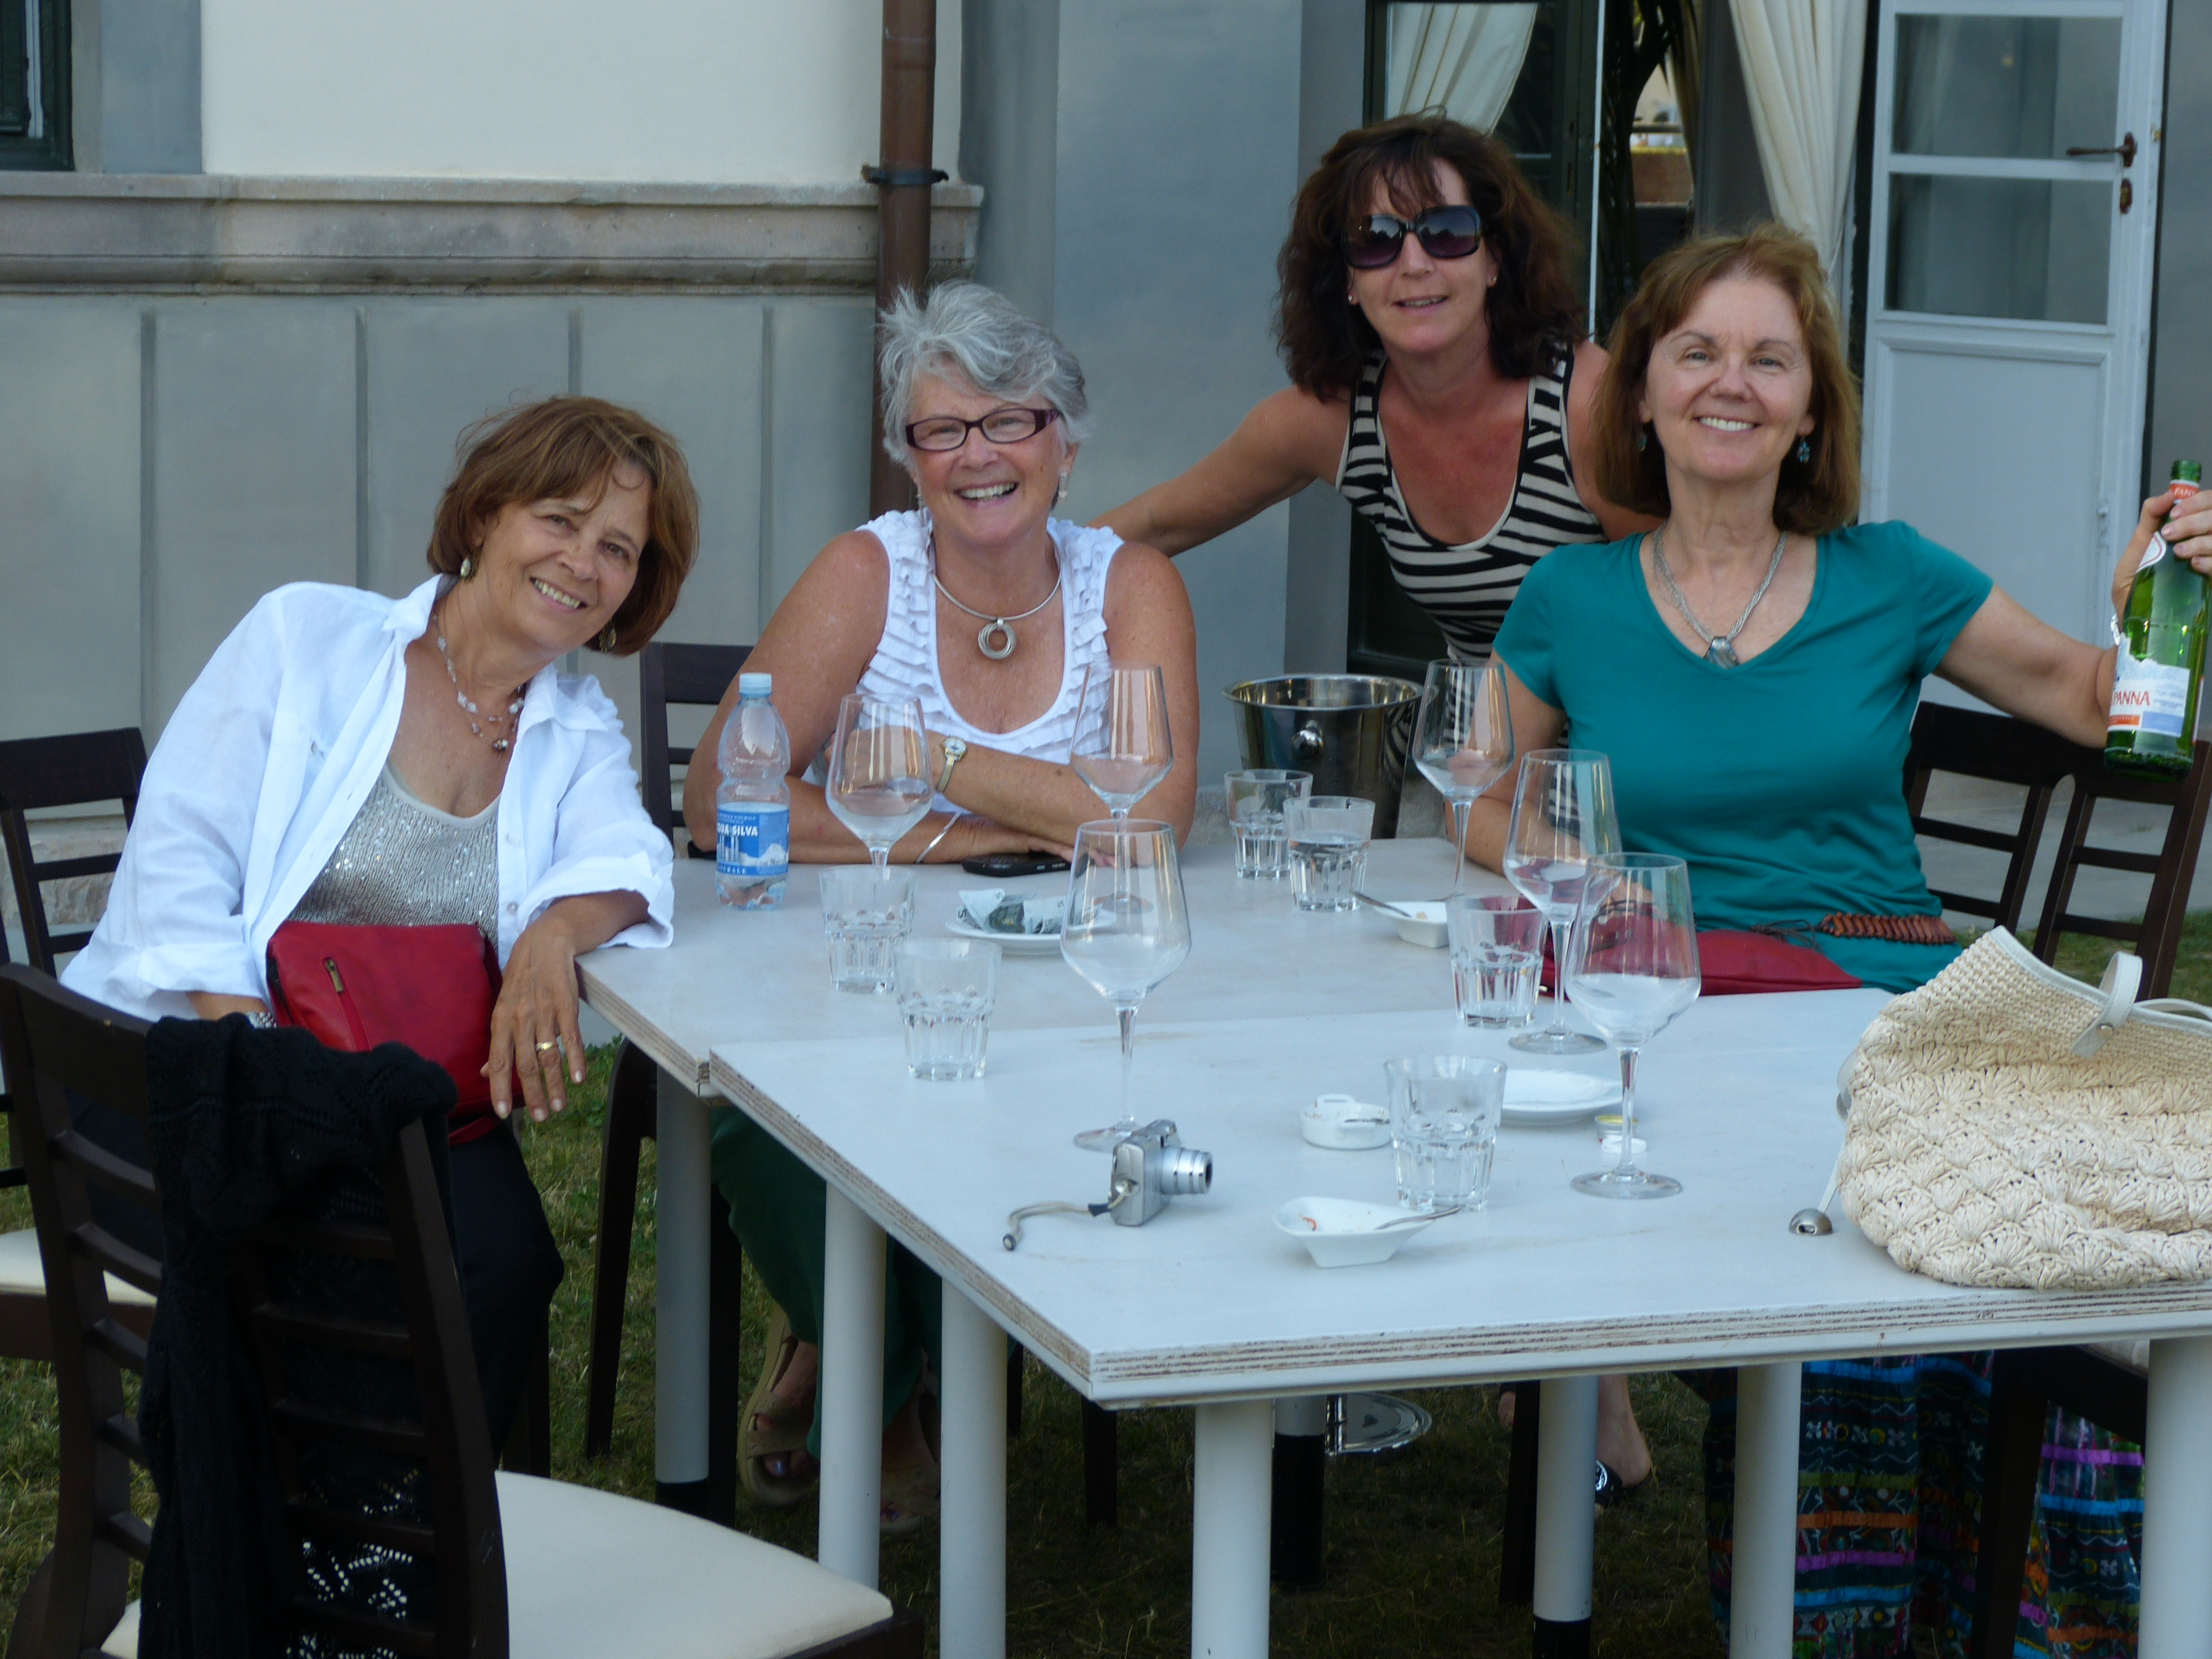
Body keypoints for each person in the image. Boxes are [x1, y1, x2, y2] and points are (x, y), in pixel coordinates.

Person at [1473, 224, 2212, 1654]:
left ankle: (2024, 1614)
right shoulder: (1574, 597)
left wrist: (2155, 608)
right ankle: (1847, 1614)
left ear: (1811, 408)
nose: (1730, 383)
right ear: (1642, 394)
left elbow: (2096, 707)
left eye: (1770, 359)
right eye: (1696, 352)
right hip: (1668, 1010)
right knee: (1806, 1228)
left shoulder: (1892, 576)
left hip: (1880, 1003)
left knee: (1941, 1227)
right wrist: (1585, 875)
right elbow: (1476, 794)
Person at [65, 395, 699, 1448]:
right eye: (559, 519)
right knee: (357, 1255)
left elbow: (631, 865)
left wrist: (552, 936)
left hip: (391, 1095)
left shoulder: (572, 727)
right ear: (486, 515)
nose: (583, 563)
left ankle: (435, 1530)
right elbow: (178, 865)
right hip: (193, 1065)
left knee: (507, 1257)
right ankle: (314, 1522)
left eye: (618, 548)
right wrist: (267, 1068)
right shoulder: (307, 637)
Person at [683, 280, 1199, 1528]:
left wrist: (934, 761)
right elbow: (720, 800)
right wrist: (1007, 827)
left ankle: (839, 1352)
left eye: (1009, 420)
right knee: (767, 1124)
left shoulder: (1128, 584)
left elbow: (1153, 820)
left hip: (1067, 991)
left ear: (1065, 442)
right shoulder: (867, 574)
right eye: (941, 429)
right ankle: (879, 1383)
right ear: (908, 458)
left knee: (1007, 1111)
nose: (977, 455)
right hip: (861, 973)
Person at [1100, 113, 1650, 661]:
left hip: (1615, 709)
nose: (1414, 264)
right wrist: (1043, 591)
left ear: (1494, 260)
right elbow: (1156, 525)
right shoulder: (1337, 419)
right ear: (1347, 280)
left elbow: (1680, 600)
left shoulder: (1585, 406)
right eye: (1376, 240)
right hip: (1464, 716)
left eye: (1446, 232)